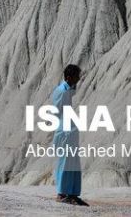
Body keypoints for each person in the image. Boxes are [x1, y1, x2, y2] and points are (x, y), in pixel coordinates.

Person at [52, 64, 87, 206]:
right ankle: (62, 193)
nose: (78, 79)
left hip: (69, 131)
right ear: (68, 77)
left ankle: (72, 193)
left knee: (73, 163)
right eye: (76, 76)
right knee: (65, 163)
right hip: (65, 132)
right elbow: (57, 112)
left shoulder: (67, 90)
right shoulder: (61, 91)